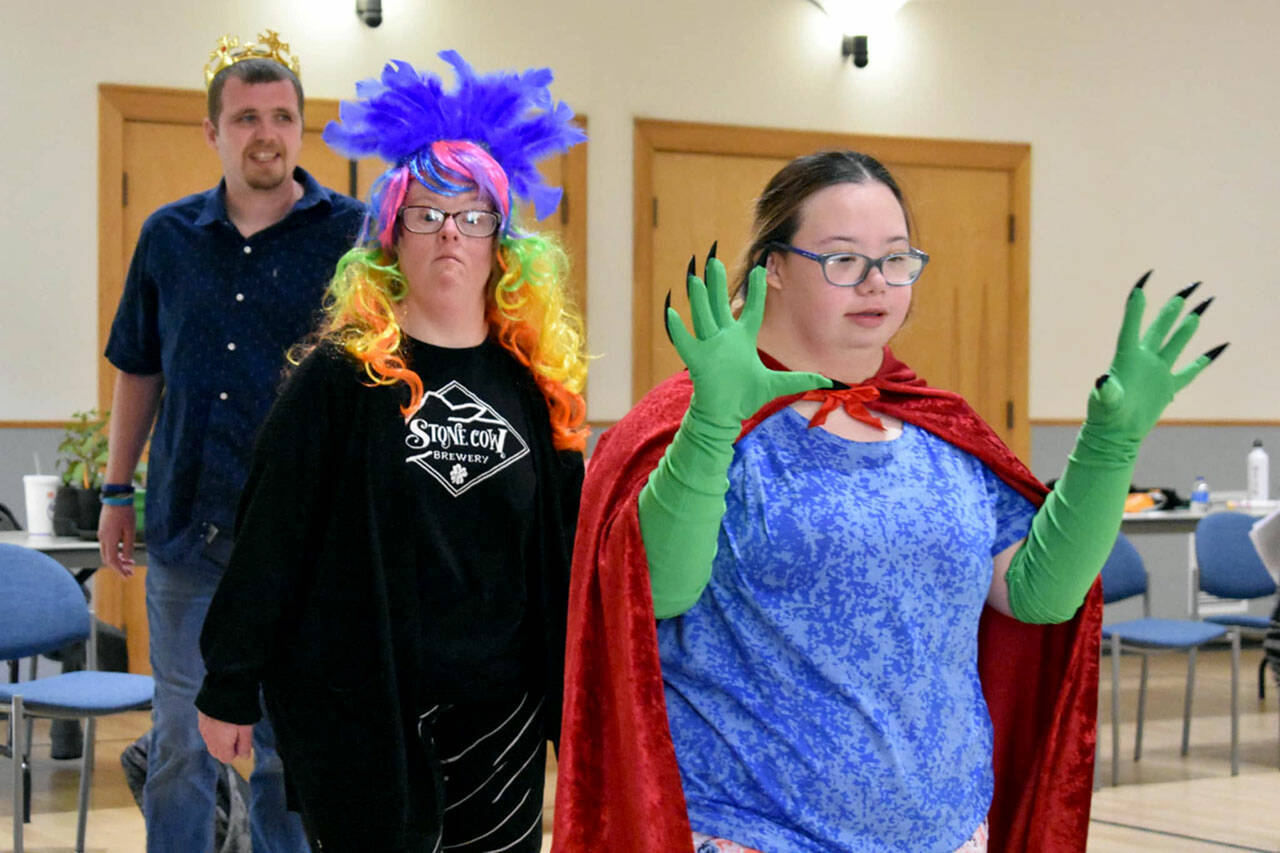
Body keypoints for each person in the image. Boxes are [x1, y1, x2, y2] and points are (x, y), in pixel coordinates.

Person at [554, 150, 1227, 852]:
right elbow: (650, 589)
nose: (877, 282)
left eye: (897, 259)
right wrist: (713, 423)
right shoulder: (698, 423)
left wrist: (1110, 445)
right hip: (751, 832)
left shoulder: (942, 429)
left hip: (947, 830)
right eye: (843, 259)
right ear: (773, 267)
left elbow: (1035, 594)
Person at [193, 51, 588, 853]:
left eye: (473, 214)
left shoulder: (534, 386)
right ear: (390, 233)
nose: (450, 231)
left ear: (500, 241)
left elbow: (566, 554)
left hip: (503, 715)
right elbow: (271, 537)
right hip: (366, 706)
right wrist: (228, 682)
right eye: (428, 211)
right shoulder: (339, 379)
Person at [98, 30, 364, 853]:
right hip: (188, 536)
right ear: (211, 132)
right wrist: (115, 491)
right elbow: (140, 369)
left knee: (287, 750)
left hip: (305, 546)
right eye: (246, 117)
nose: (266, 134)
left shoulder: (353, 236)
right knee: (182, 742)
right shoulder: (168, 239)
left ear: (301, 128)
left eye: (282, 116)